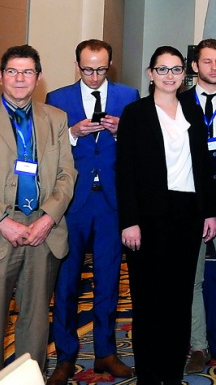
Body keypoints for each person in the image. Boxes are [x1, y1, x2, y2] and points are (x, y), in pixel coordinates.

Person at [0, 45, 76, 385]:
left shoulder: (55, 119)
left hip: (44, 231)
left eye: (27, 72)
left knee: (35, 324)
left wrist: (47, 218)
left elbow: (67, 176)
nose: (20, 78)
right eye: (12, 71)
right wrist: (3, 222)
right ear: (0, 76)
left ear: (38, 78)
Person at [116, 46, 216, 385]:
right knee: (148, 299)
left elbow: (203, 166)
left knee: (178, 299)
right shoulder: (135, 113)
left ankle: (172, 372)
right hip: (147, 218)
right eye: (163, 70)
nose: (170, 76)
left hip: (187, 215)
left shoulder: (192, 109)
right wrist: (129, 221)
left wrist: (210, 212)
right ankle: (149, 374)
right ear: (150, 74)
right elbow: (125, 171)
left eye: (176, 70)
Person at [46, 39, 138, 384]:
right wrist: (72, 133)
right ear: (77, 66)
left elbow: (140, 146)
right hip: (72, 202)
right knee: (66, 283)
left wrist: (121, 131)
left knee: (109, 282)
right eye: (88, 69)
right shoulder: (58, 99)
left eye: (101, 69)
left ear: (109, 64)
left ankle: (105, 353)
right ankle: (65, 356)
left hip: (112, 203)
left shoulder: (128, 96)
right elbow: (48, 149)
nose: (95, 76)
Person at [182, 39, 216, 376]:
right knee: (193, 279)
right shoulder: (178, 102)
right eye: (207, 62)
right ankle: (198, 347)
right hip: (190, 202)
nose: (213, 68)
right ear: (195, 66)